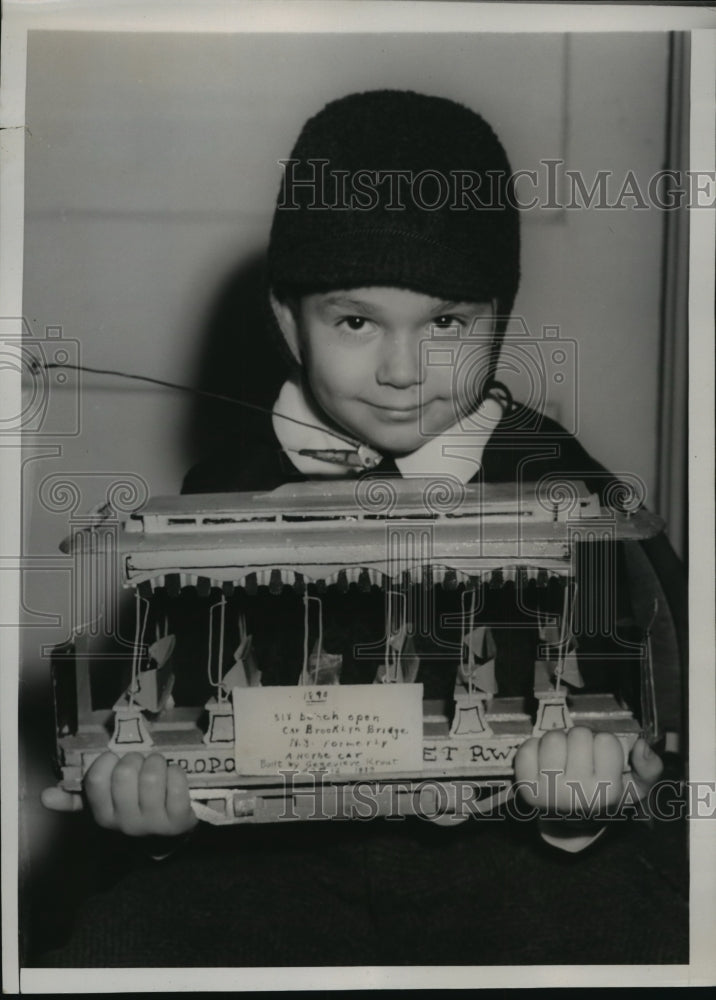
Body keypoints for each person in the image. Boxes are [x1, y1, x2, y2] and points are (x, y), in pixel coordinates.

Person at [38, 90, 686, 966]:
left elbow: (660, 725)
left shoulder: (574, 495)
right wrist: (155, 816)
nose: (402, 371)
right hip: (267, 863)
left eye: (448, 323)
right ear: (286, 318)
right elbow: (169, 710)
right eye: (354, 321)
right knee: (119, 942)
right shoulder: (222, 491)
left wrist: (590, 806)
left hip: (513, 860)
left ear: (501, 319)